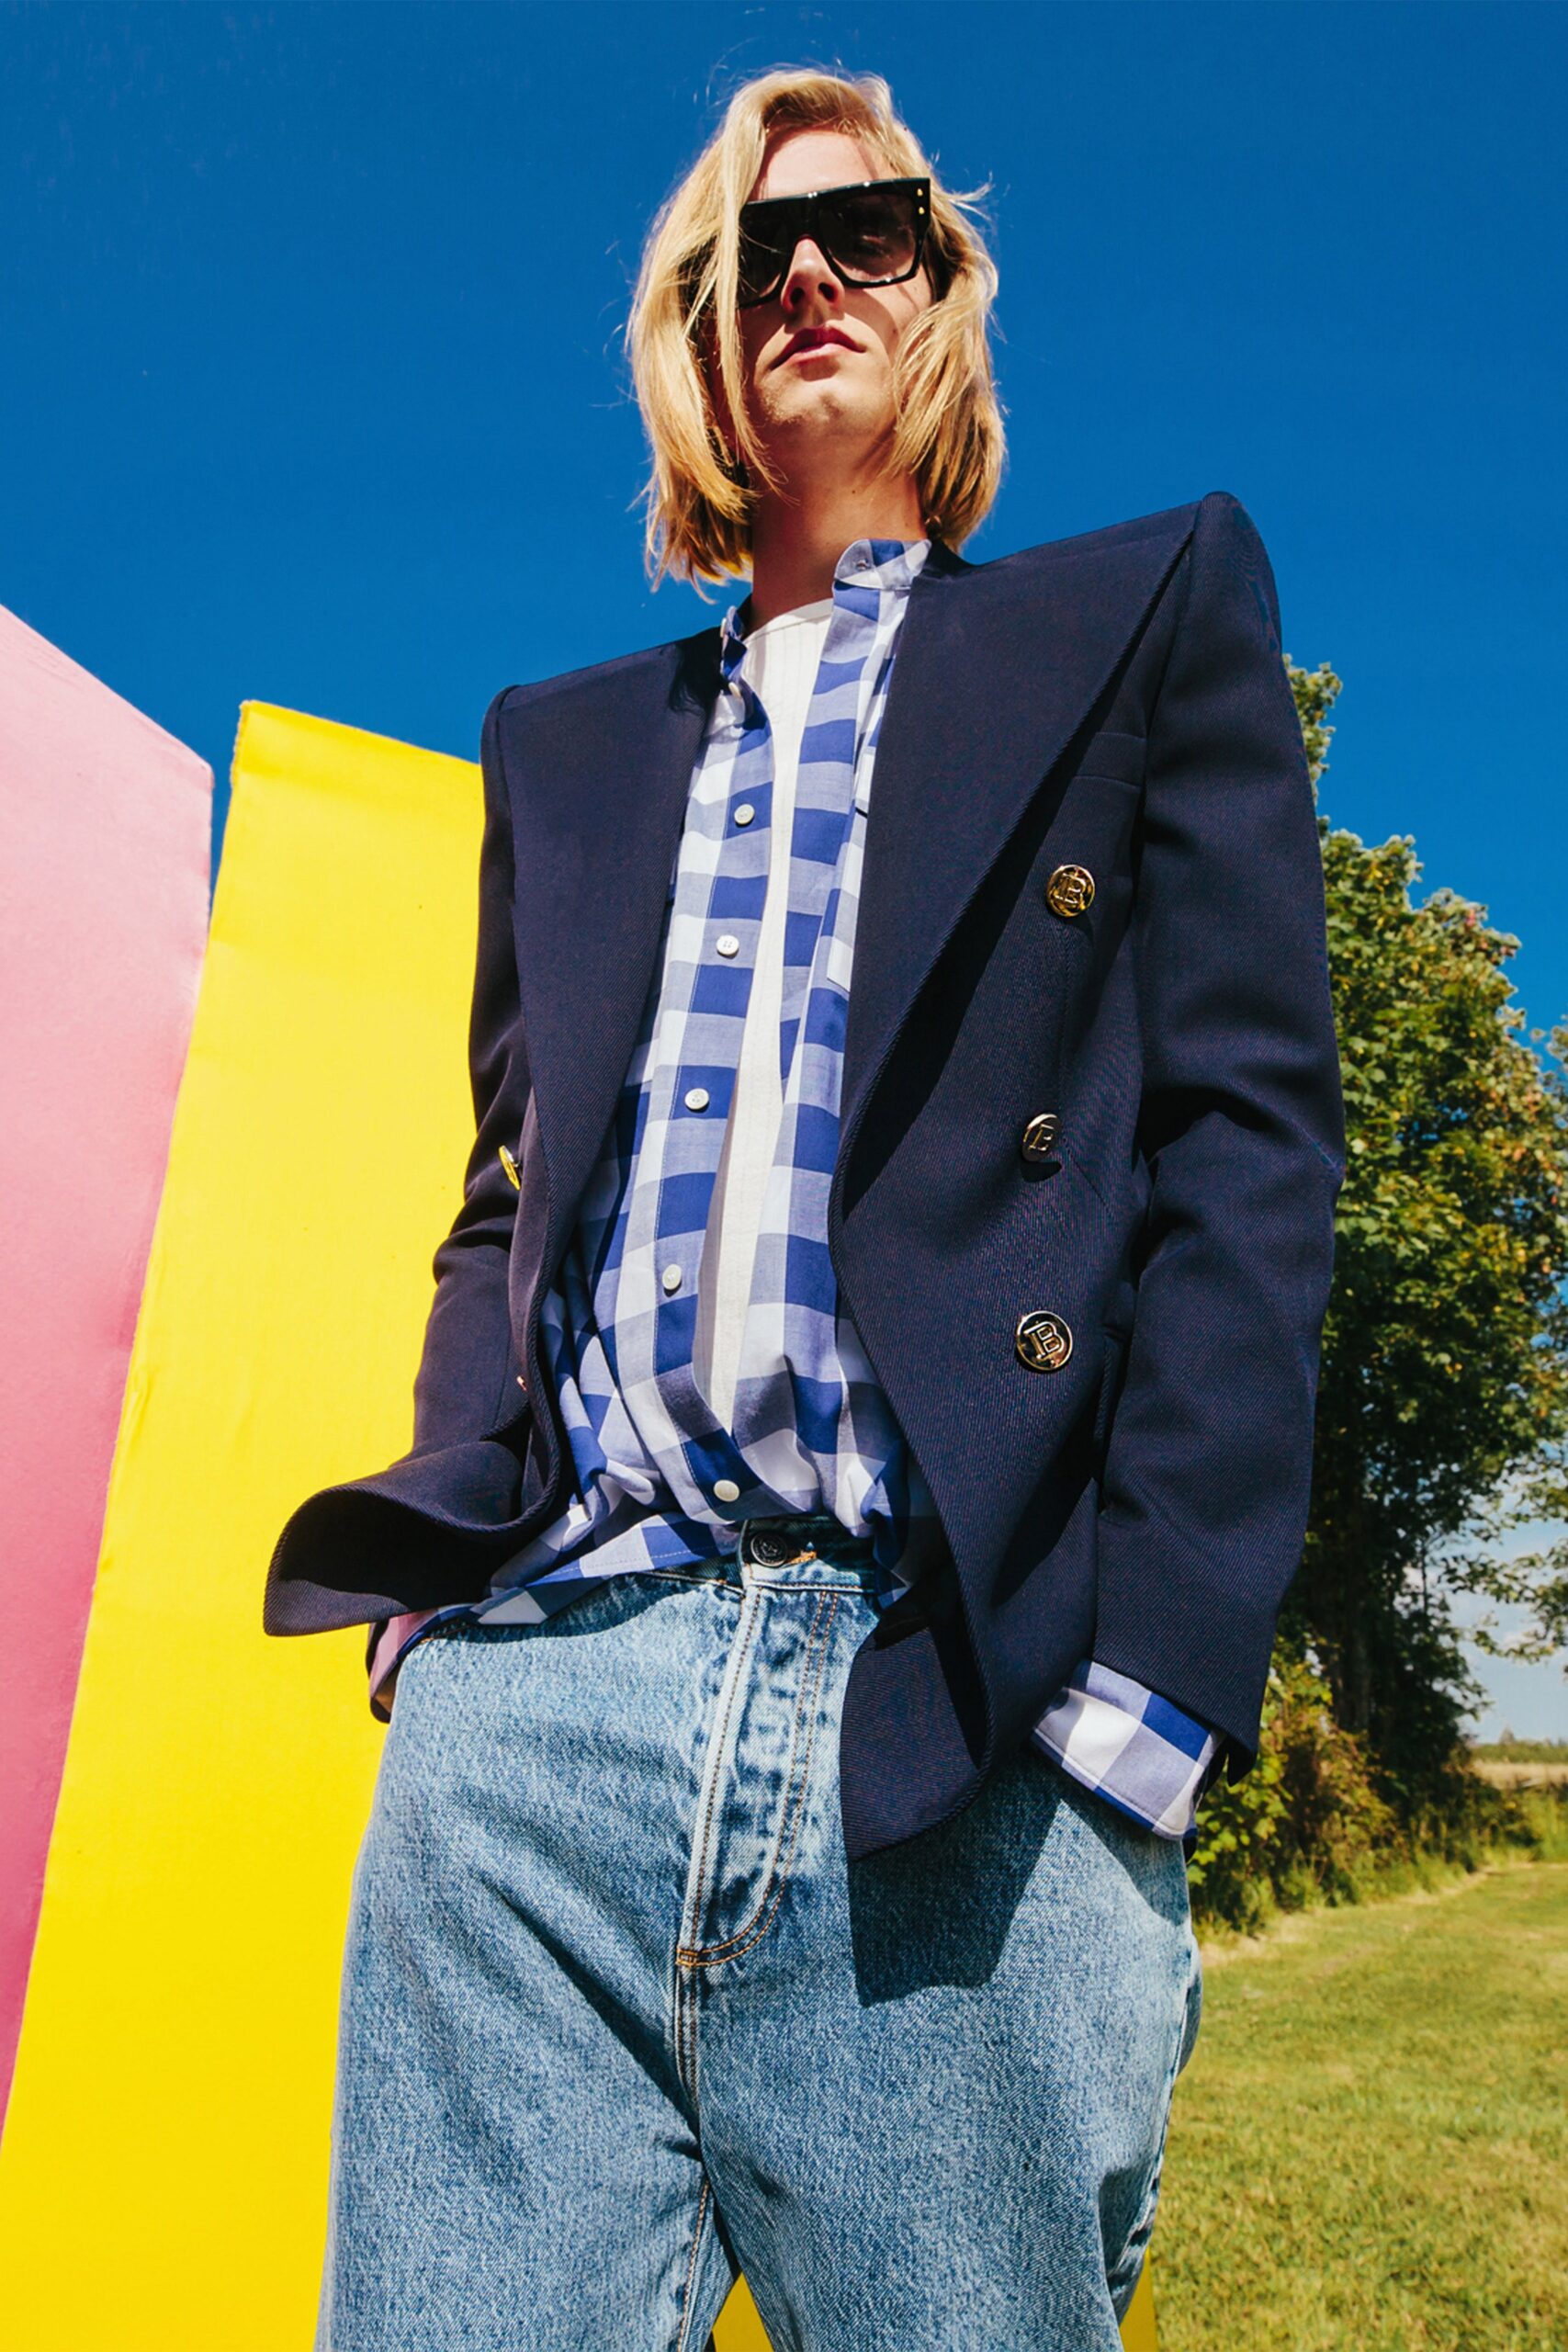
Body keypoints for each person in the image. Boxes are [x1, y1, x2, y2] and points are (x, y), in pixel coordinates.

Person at [265, 64, 1344, 2352]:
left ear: (939, 283)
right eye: (749, 257)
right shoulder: (558, 741)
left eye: (860, 229)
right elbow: (509, 1189)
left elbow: (1246, 1144)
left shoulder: (1136, 614)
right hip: (539, 1719)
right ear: (692, 332)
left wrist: (1149, 1675)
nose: (807, 283)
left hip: (941, 1698)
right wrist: (439, 1609)